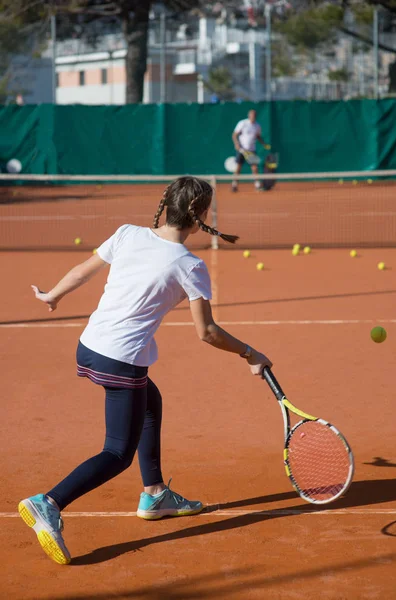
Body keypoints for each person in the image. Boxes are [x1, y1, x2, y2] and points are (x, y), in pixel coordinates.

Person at [18, 176, 273, 565]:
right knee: (117, 452)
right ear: (199, 215)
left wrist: (52, 295)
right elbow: (207, 333)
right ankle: (48, 502)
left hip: (89, 346)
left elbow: (83, 270)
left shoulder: (127, 234)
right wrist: (250, 353)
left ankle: (154, 494)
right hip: (121, 359)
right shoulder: (189, 265)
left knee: (149, 402)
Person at [231, 109, 270, 192]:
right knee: (238, 168)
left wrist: (263, 144)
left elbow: (258, 136)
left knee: (255, 168)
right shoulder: (242, 123)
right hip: (241, 149)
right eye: (252, 115)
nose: (253, 116)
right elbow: (234, 134)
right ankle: (234, 185)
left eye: (255, 115)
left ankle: (257, 185)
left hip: (251, 150)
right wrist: (236, 144)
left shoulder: (257, 126)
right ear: (249, 116)